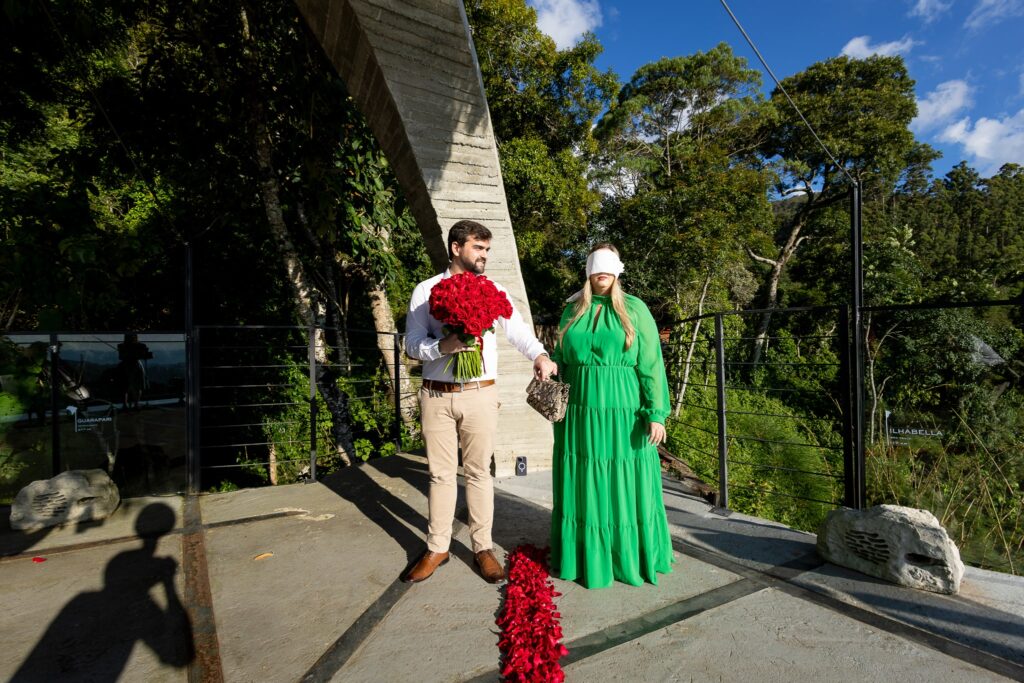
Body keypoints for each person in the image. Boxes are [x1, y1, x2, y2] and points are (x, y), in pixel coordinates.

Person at [404, 220, 558, 584]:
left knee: (478, 472)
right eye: (478, 248)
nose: (484, 256)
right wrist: (443, 346)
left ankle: (482, 547)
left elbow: (518, 331)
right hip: (436, 394)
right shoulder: (426, 291)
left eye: (487, 250)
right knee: (440, 474)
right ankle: (437, 547)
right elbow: (411, 344)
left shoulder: (493, 290)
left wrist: (538, 355)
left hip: (481, 394)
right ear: (456, 248)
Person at [550, 244, 674, 588]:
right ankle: (587, 554)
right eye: (595, 264)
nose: (601, 271)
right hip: (578, 411)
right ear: (587, 270)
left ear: (618, 270)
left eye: (607, 265)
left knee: (623, 480)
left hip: (623, 411)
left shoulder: (635, 309)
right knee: (585, 479)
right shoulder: (572, 309)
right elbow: (562, 357)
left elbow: (651, 364)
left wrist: (655, 412)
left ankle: (626, 556)